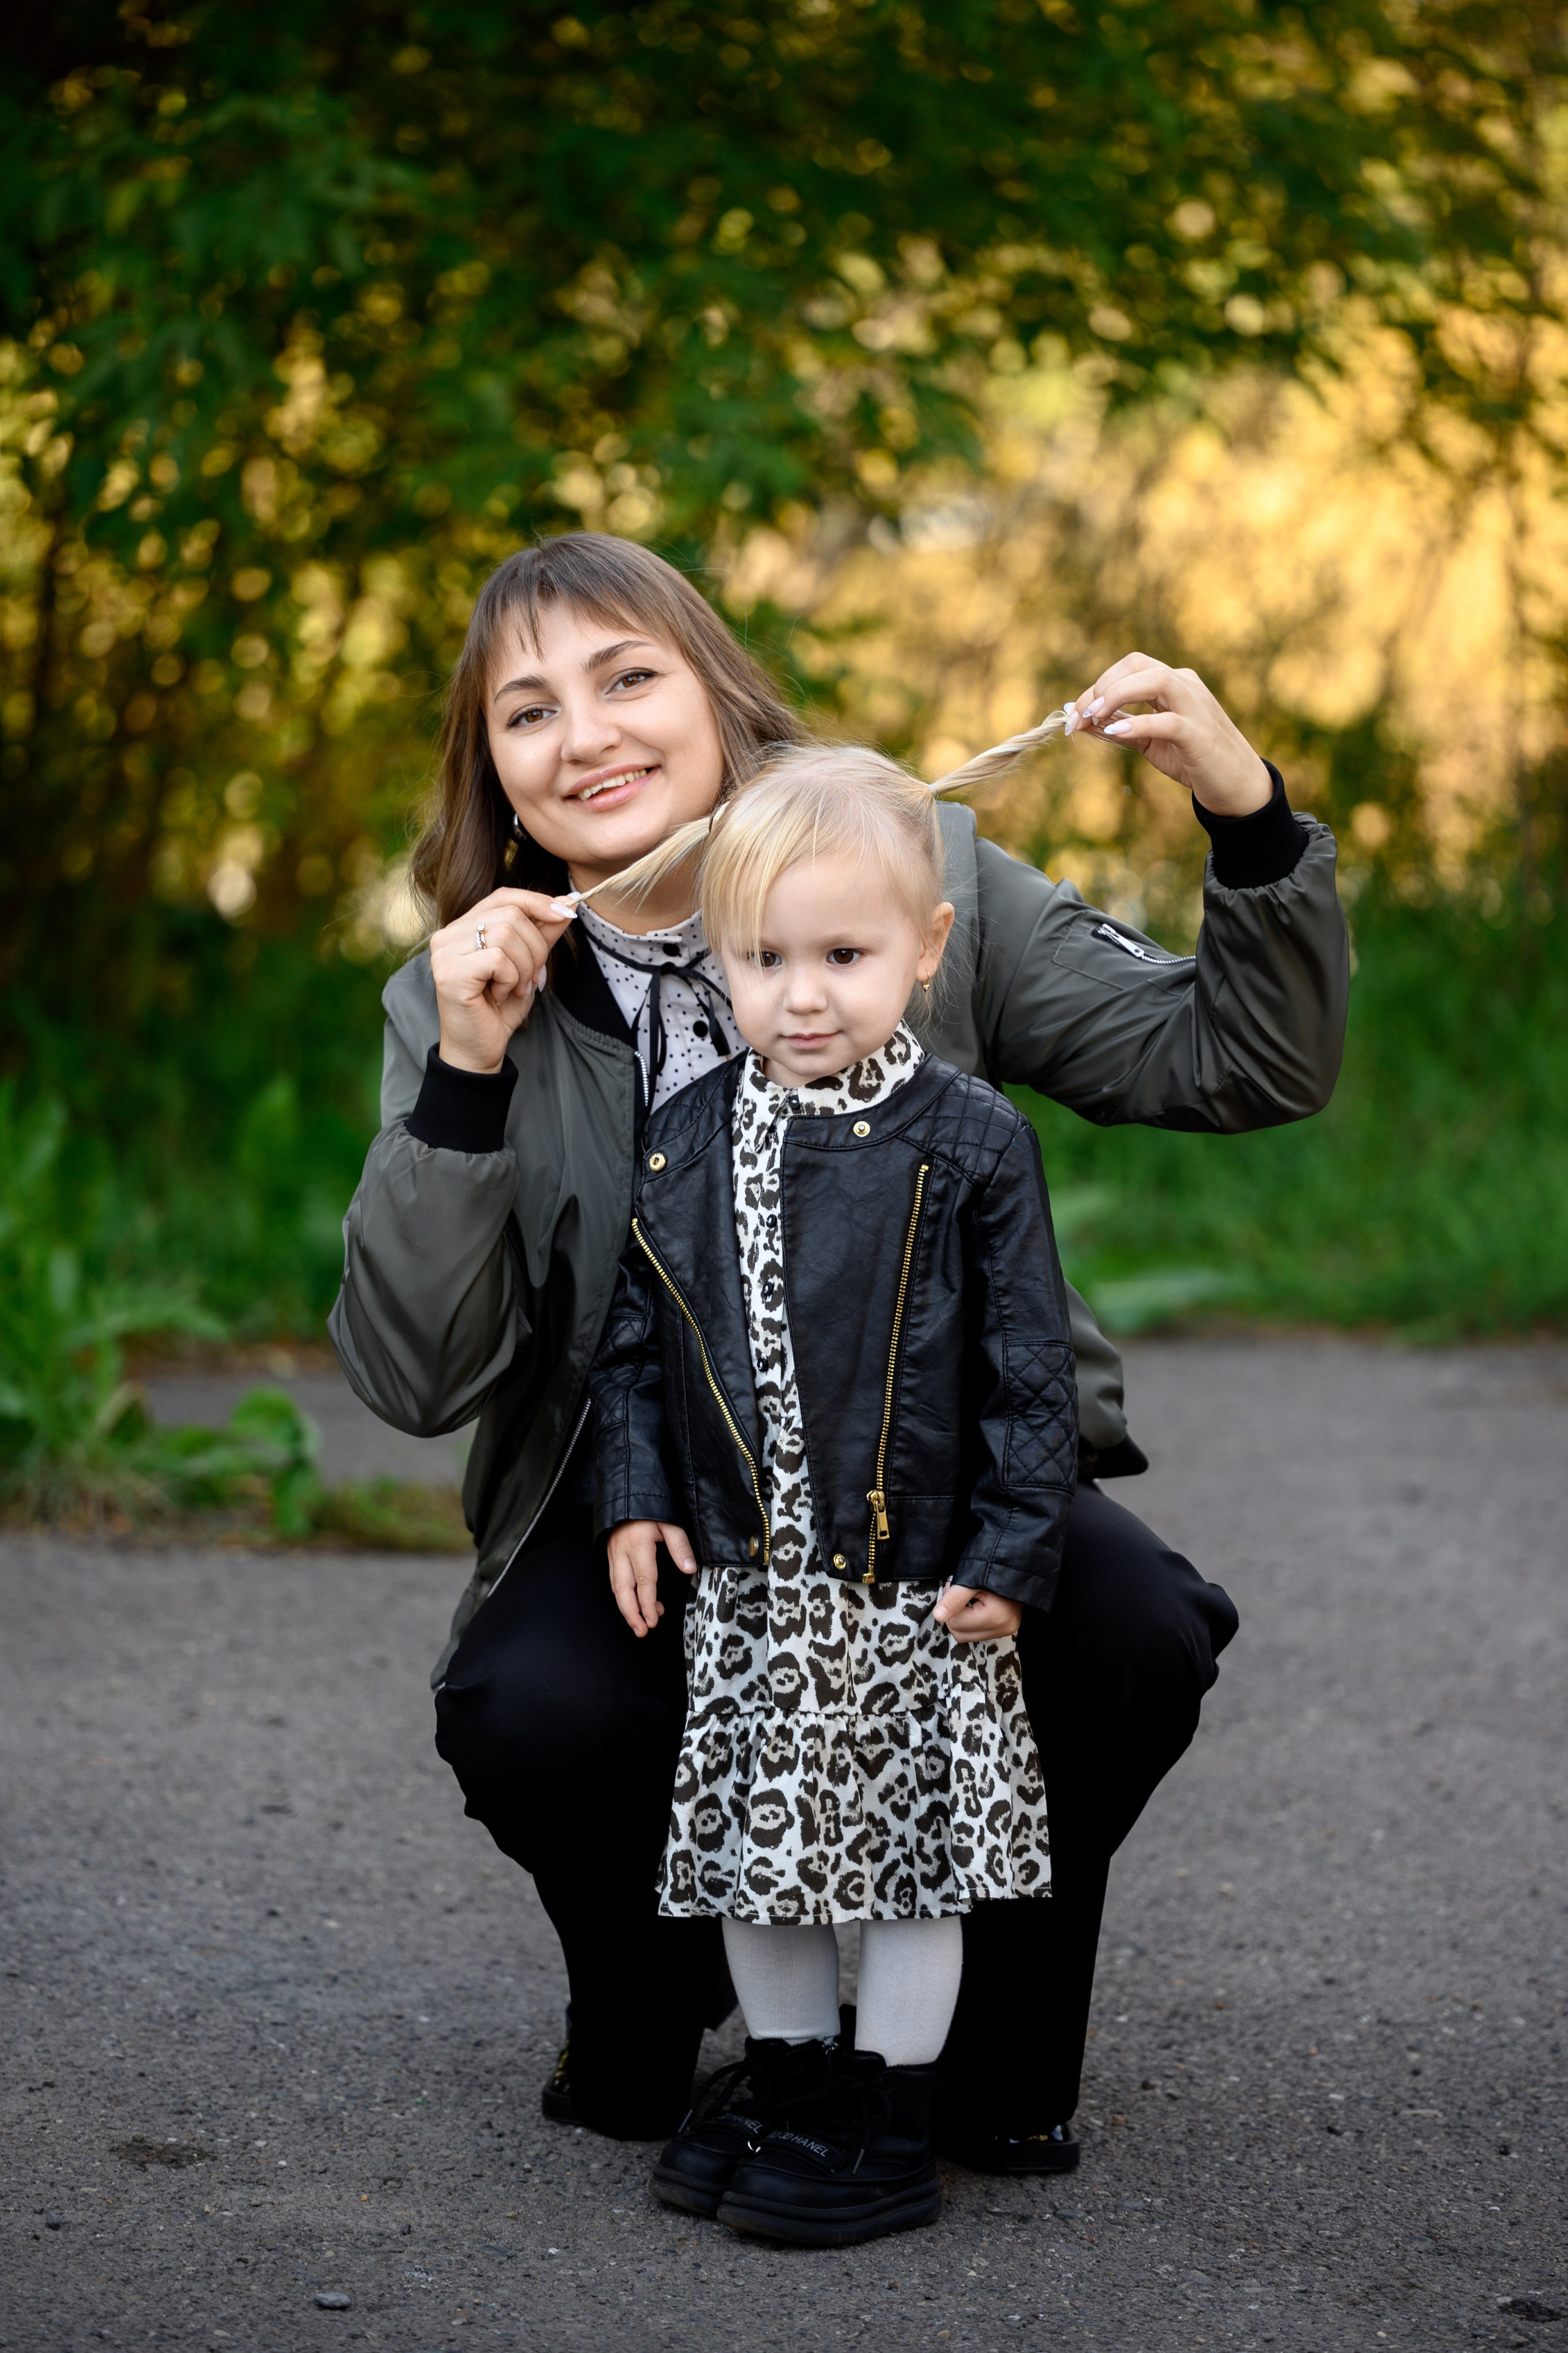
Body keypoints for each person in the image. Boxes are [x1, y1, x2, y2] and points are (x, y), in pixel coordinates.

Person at [328, 530, 1349, 2168]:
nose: (582, 731)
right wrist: (463, 1075)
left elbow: (1246, 1059)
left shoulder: (916, 875)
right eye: (528, 711)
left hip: (932, 1477)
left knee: (1131, 1629)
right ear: (500, 782)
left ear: (723, 699)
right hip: (652, 1499)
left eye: (627, 675)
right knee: (530, 1707)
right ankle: (657, 1999)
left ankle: (977, 2040)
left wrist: (1247, 812)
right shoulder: (469, 997)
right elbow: (413, 1379)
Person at [586, 740, 1075, 2245]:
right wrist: (634, 1494)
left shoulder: (968, 1138)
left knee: (913, 1860)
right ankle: (791, 2090)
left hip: (909, 1584)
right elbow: (633, 1343)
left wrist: (1009, 1544)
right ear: (718, 962)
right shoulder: (684, 1138)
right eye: (764, 957)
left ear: (925, 950)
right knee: (764, 1860)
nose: (801, 993)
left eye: (843, 953)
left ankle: (886, 2122)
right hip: (750, 1583)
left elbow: (1026, 1369)